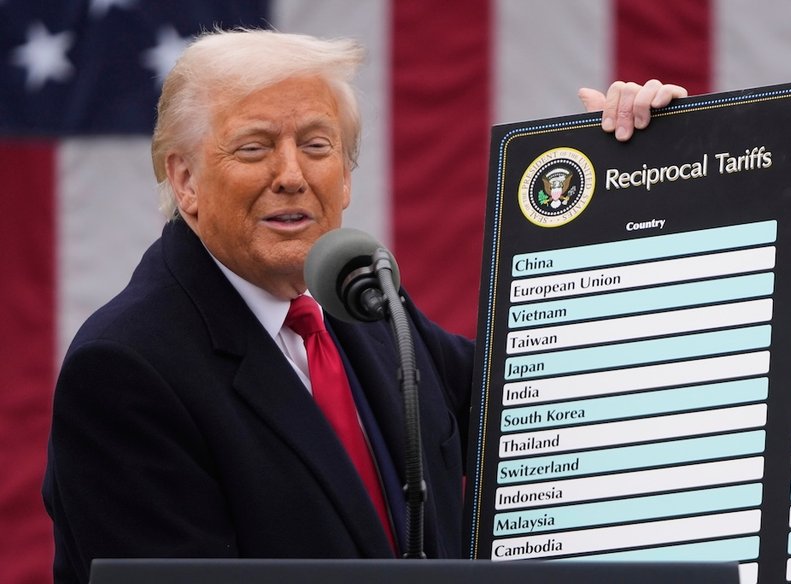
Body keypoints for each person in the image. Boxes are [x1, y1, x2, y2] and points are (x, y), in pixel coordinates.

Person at [41, 28, 686, 584]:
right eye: (254, 147)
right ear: (184, 181)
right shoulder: (125, 370)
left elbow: (544, 404)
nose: (292, 174)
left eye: (317, 147)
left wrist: (640, 176)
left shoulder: (362, 300)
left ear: (346, 178)